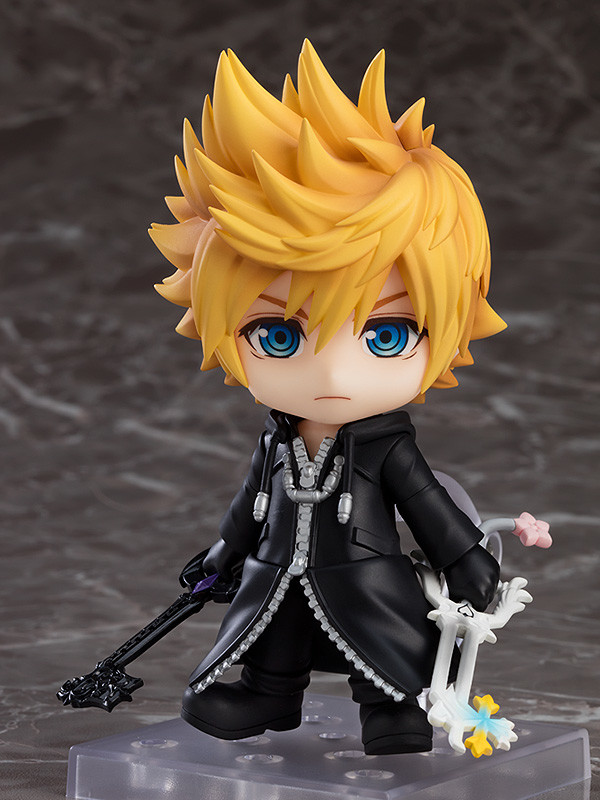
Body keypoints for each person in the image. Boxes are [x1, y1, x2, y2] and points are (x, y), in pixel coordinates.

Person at [150, 40, 504, 755]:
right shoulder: (277, 439)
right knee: (272, 628)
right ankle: (268, 695)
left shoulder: (385, 445)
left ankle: (393, 707)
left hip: (365, 572)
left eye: (386, 334)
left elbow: (426, 503)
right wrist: (222, 553)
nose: (332, 373)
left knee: (382, 639)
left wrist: (466, 558)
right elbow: (251, 503)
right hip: (279, 567)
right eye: (278, 336)